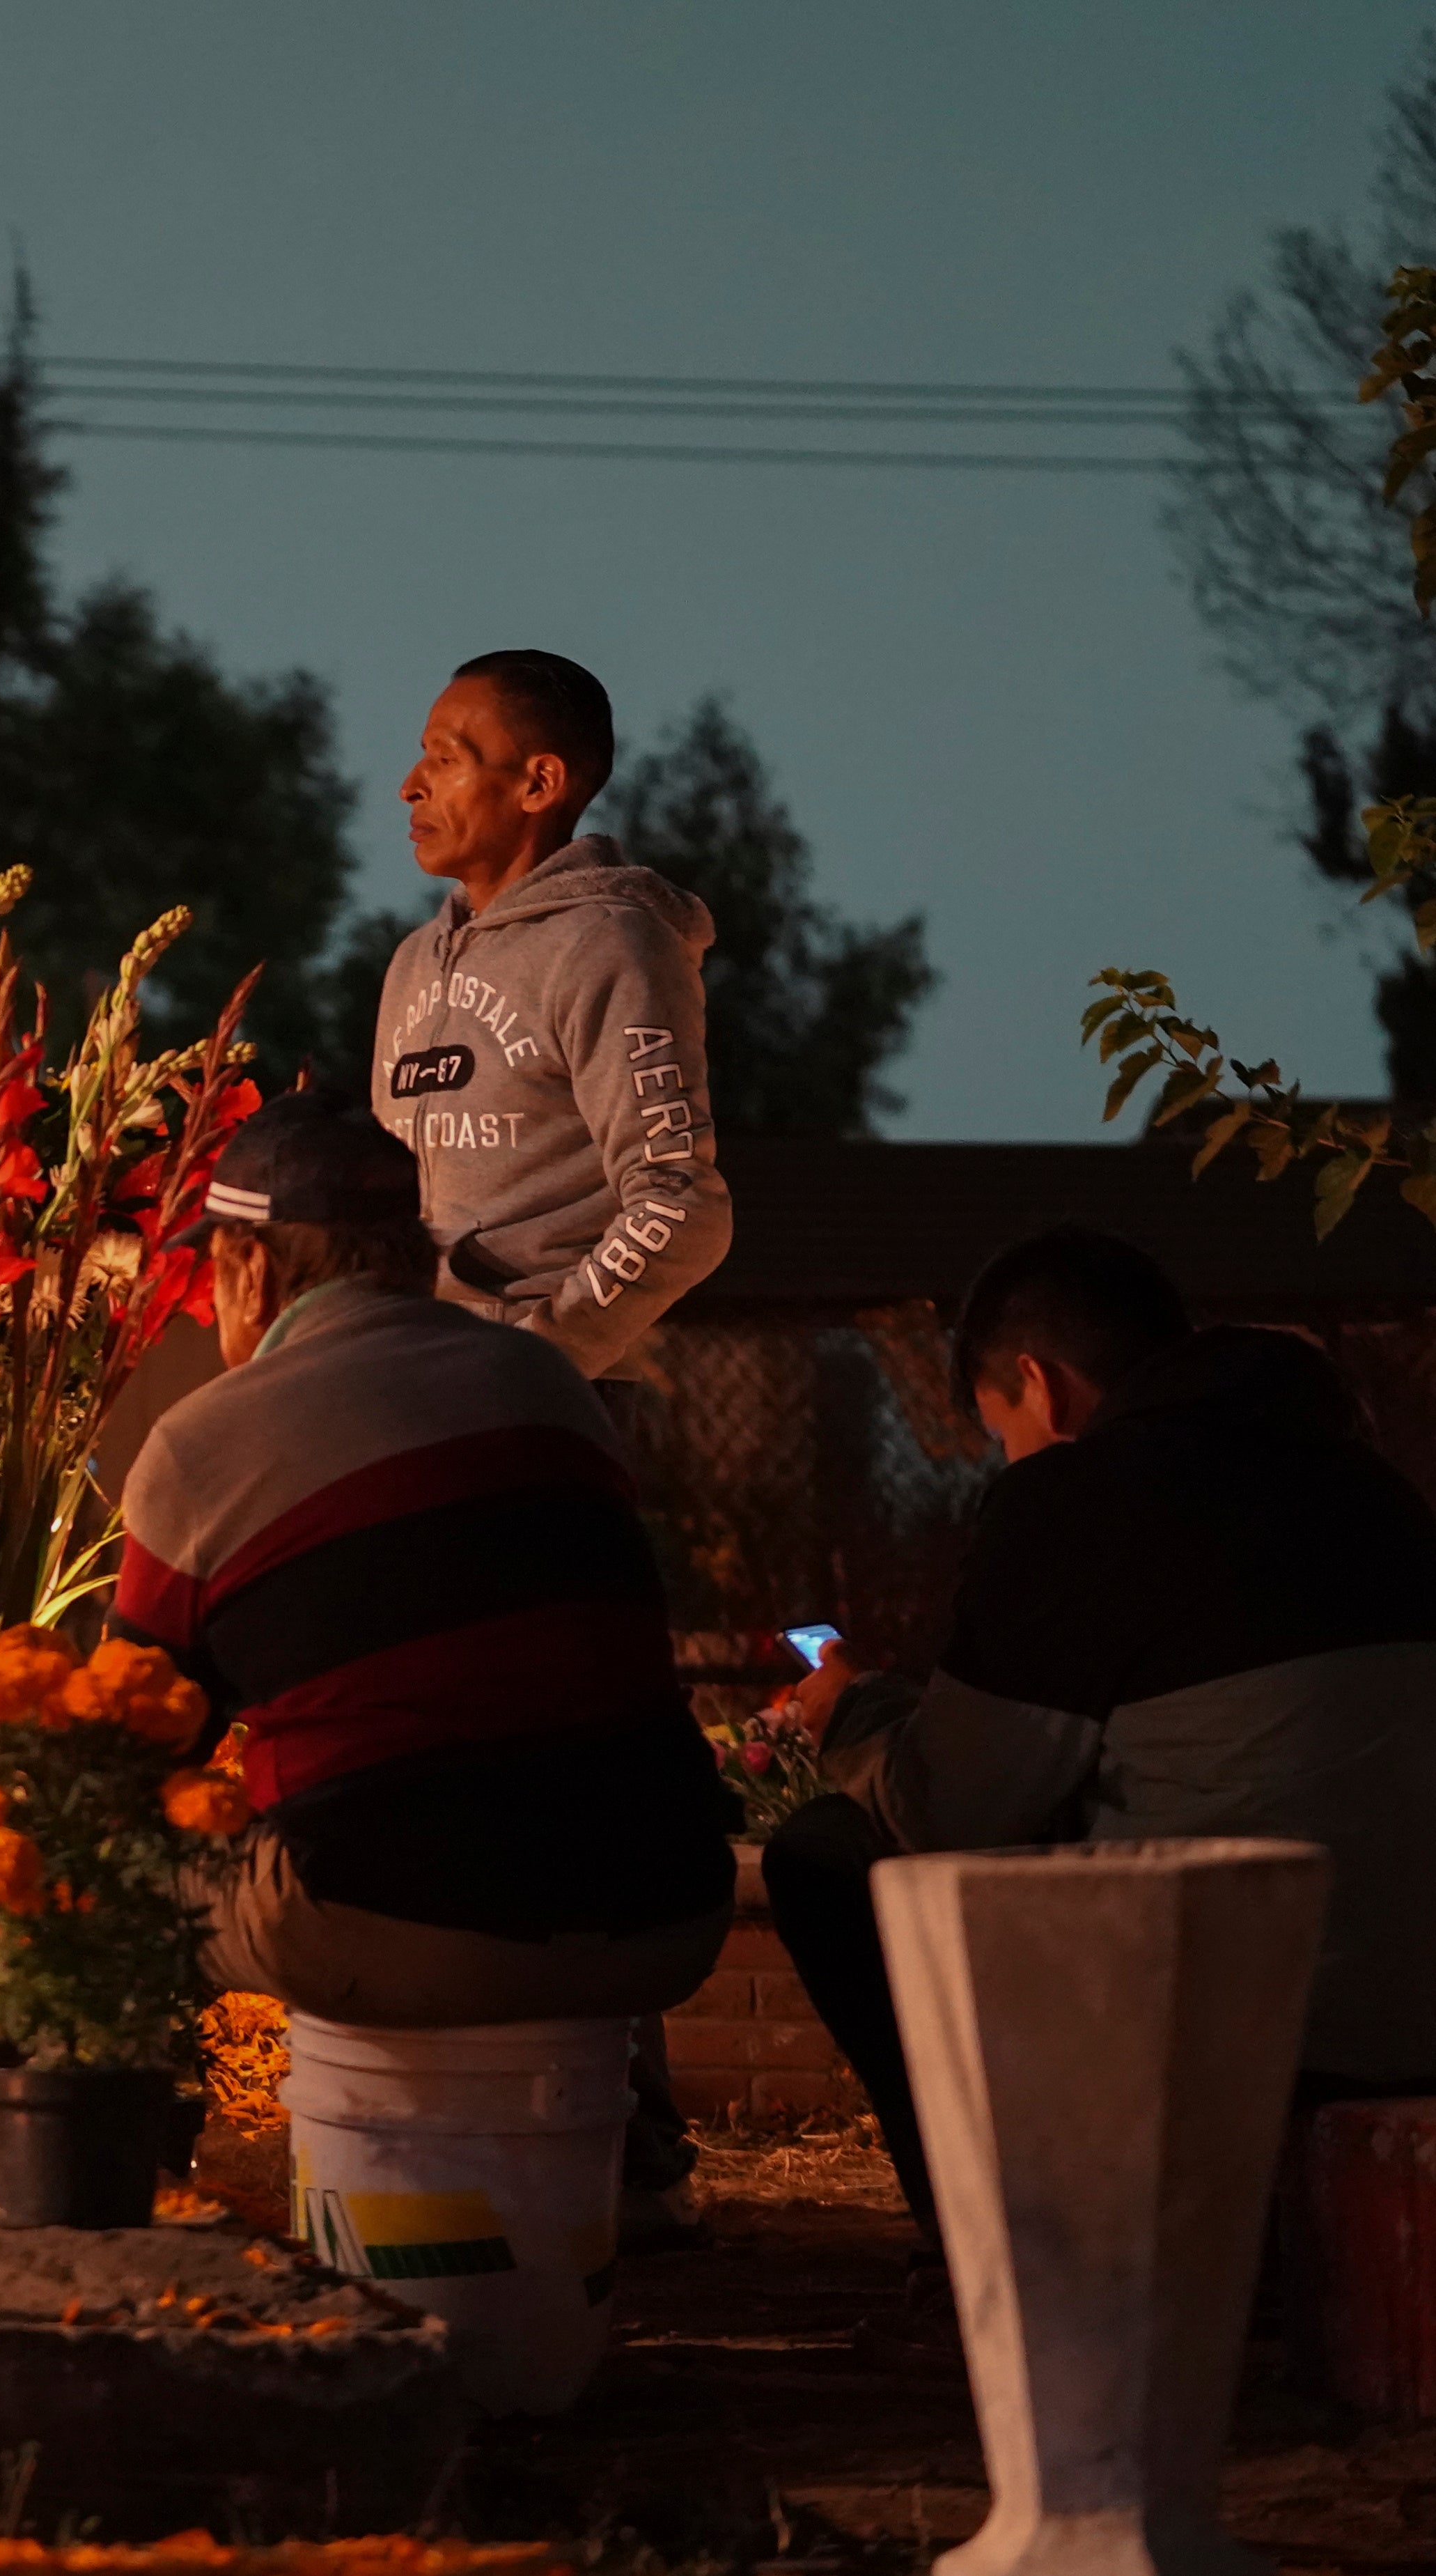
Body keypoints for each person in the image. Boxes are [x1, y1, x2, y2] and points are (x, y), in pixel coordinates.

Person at [762, 1226, 1436, 2242]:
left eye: (999, 1432)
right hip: (1411, 2026)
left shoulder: (1076, 1500)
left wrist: (851, 1712)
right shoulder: (1367, 1486)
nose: (1007, 1460)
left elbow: (951, 1810)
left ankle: (991, 2244)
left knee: (823, 1857)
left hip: (1243, 2042)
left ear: (1041, 1384)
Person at [112, 1091, 735, 2023]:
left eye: (211, 1269)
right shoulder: (547, 1381)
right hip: (667, 1914)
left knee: (99, 1856)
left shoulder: (204, 1441)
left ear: (249, 1270)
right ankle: (627, 2136)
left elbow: (122, 1747)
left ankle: (130, 2141)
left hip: (401, 1924)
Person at [373, 651, 731, 1380]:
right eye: (421, 759)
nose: (410, 788)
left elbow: (678, 1206)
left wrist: (535, 1359)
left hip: (542, 1400)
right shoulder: (413, 960)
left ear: (539, 782)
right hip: (412, 1376)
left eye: (445, 760)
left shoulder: (609, 944)